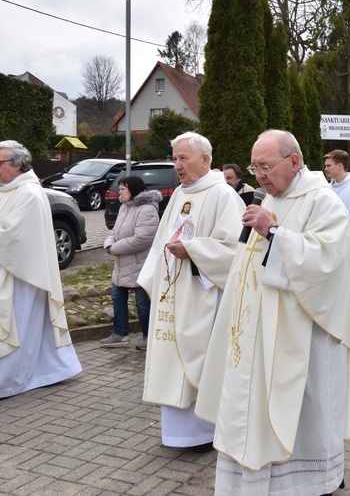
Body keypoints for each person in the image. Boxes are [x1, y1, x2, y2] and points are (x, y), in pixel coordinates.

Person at [195, 129, 350, 495]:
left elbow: (329, 263)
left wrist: (275, 234)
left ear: (294, 161)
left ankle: (309, 483)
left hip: (305, 340)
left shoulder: (322, 201)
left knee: (303, 416)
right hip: (257, 336)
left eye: (265, 166)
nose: (260, 176)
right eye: (255, 168)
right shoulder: (274, 199)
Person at [137, 132, 245, 449]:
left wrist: (194, 251)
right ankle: (176, 434)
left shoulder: (221, 196)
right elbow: (161, 242)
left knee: (199, 361)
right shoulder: (179, 195)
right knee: (171, 363)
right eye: (175, 158)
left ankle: (202, 433)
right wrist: (153, 279)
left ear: (205, 159)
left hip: (203, 296)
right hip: (174, 291)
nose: (177, 165)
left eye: (183, 158)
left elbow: (235, 251)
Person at [0, 141, 82, 398]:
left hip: (23, 276)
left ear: (16, 164)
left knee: (20, 327)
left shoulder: (30, 193)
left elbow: (14, 237)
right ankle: (46, 371)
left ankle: (11, 380)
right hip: (10, 269)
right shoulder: (9, 190)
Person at [101, 176, 161, 350]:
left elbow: (142, 239)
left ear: (133, 189)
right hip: (122, 264)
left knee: (142, 303)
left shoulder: (147, 209)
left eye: (122, 189)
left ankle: (148, 336)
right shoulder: (124, 207)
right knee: (117, 296)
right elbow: (115, 230)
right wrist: (108, 244)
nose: (119, 192)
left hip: (140, 264)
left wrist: (115, 248)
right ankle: (120, 334)